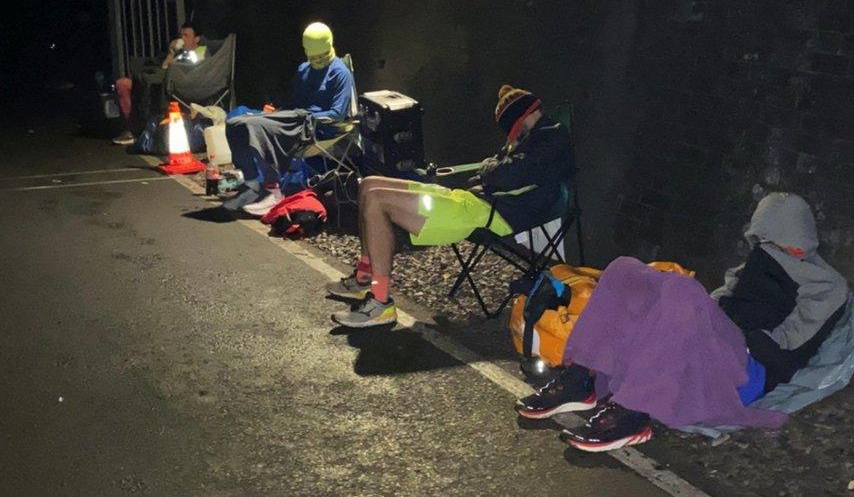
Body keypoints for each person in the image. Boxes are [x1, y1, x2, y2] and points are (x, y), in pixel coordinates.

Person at [515, 192, 850, 452]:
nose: (765, 248)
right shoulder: (757, 262)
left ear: (796, 235)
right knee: (624, 271)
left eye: (773, 239)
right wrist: (694, 319)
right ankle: (582, 379)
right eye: (763, 240)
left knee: (682, 290)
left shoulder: (826, 284)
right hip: (717, 346)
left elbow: (793, 343)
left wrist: (732, 334)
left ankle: (633, 415)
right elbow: (721, 299)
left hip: (747, 368)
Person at [327, 85, 575, 328]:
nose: (512, 135)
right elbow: (498, 169)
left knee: (378, 201)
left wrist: (490, 170)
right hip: (470, 203)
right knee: (368, 186)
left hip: (486, 214)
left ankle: (380, 302)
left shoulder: (551, 136)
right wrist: (492, 170)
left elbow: (503, 173)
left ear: (523, 116)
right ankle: (365, 275)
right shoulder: (531, 139)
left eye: (513, 127)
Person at [222, 22, 354, 214]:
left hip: (315, 126)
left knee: (260, 129)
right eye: (313, 56)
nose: (317, 61)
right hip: (295, 118)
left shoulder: (340, 73)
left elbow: (337, 114)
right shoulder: (304, 69)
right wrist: (277, 111)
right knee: (237, 119)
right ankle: (253, 182)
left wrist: (304, 117)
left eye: (321, 56)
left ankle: (274, 191)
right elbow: (294, 102)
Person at [111, 22, 207, 146]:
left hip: (178, 89)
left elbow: (185, 70)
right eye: (181, 35)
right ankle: (134, 129)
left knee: (143, 87)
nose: (182, 39)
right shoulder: (181, 53)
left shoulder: (198, 53)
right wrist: (172, 52)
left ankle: (138, 130)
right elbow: (164, 67)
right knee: (124, 84)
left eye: (186, 36)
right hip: (164, 83)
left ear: (196, 39)